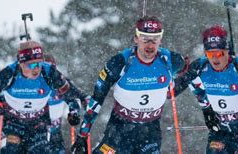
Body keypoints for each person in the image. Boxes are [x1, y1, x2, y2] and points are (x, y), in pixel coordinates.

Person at [71, 16, 186, 153]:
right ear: (136, 38)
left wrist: (207, 109)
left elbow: (192, 73)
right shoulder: (119, 63)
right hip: (120, 129)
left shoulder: (171, 60)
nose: (150, 45)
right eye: (144, 38)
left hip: (150, 132)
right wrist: (83, 134)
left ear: (160, 40)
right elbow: (97, 98)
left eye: (154, 39)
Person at [174, 25, 238, 153]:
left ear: (227, 51)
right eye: (210, 54)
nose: (215, 58)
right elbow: (172, 91)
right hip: (220, 130)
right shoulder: (200, 66)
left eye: (219, 53)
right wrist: (176, 68)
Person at [0, 40, 83, 153]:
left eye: (39, 63)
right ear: (21, 63)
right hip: (13, 123)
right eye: (32, 64)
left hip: (39, 124)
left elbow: (72, 97)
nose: (37, 69)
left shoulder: (49, 72)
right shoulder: (9, 73)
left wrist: (74, 112)